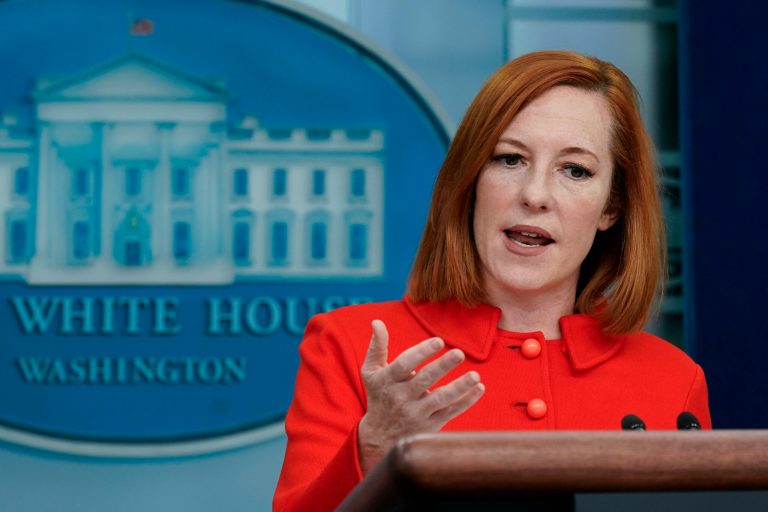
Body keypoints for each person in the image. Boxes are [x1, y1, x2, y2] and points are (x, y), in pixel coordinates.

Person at [272, 50, 711, 511]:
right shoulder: (348, 344)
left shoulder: (674, 378)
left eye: (575, 170)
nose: (535, 195)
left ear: (611, 208)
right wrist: (376, 445)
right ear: (471, 179)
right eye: (510, 159)